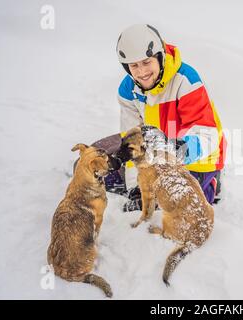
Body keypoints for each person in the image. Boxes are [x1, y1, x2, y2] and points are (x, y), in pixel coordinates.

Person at [92, 24, 226, 212]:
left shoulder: (185, 80)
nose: (141, 72)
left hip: (195, 158)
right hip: (155, 152)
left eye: (146, 62)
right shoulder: (128, 89)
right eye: (134, 66)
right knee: (93, 169)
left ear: (160, 56)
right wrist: (136, 187)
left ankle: (211, 183)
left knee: (170, 203)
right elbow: (132, 141)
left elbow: (208, 135)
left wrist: (178, 151)